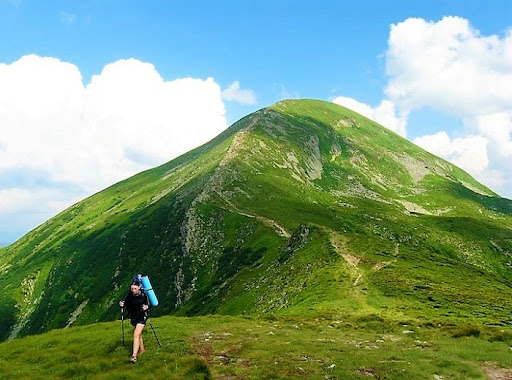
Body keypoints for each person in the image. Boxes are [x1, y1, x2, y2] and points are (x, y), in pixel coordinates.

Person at [119, 280, 150, 363]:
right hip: (134, 317)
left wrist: (146, 307)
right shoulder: (130, 295)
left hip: (142, 317)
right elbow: (127, 303)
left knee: (135, 335)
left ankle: (134, 356)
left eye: (135, 288)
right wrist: (122, 304)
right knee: (138, 335)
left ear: (139, 287)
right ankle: (142, 349)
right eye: (132, 289)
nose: (133, 290)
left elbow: (148, 305)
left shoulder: (143, 296)